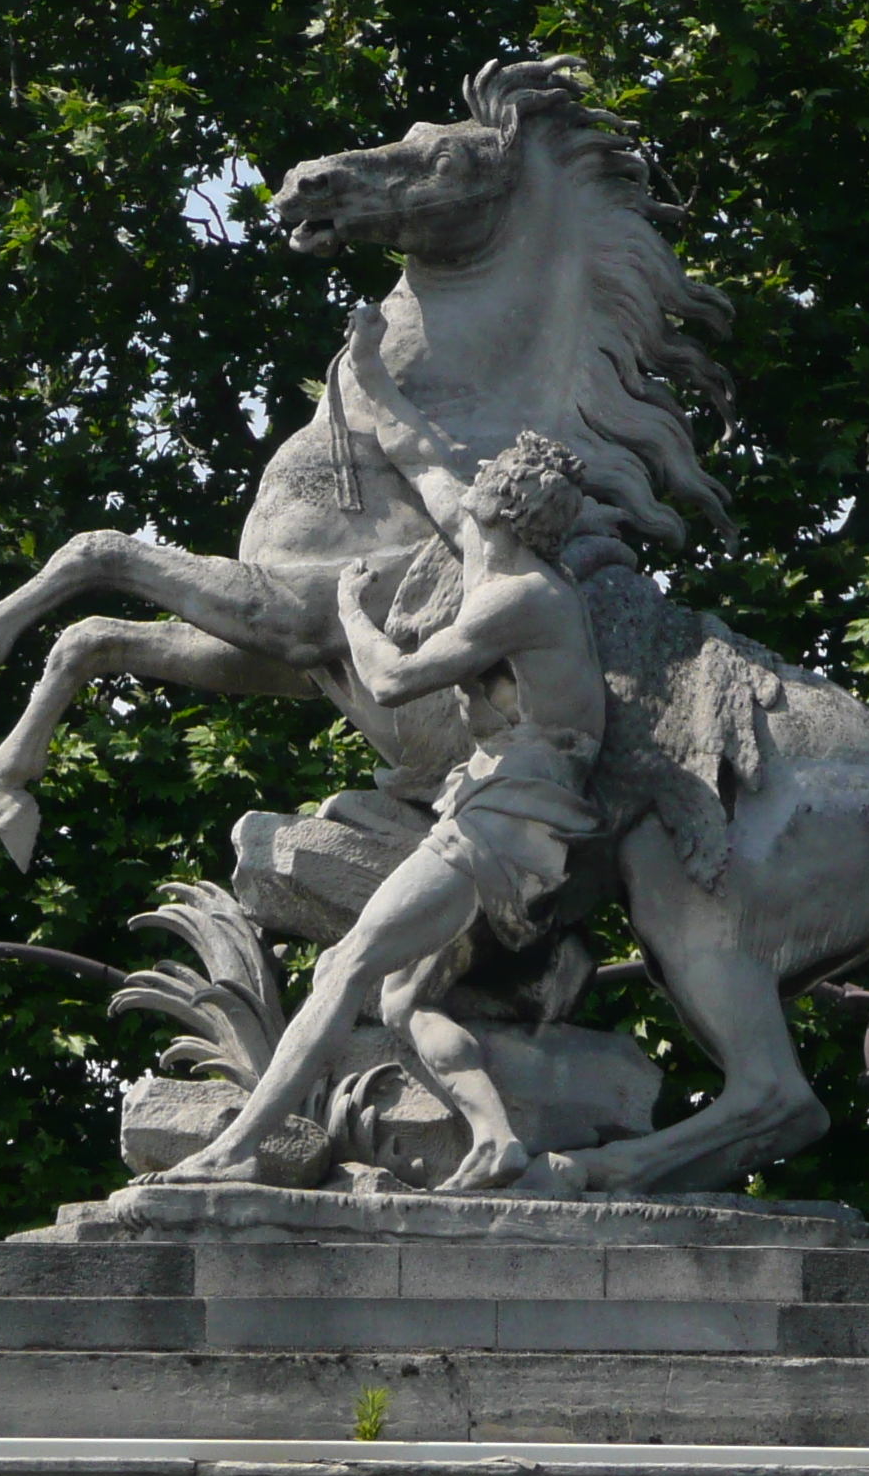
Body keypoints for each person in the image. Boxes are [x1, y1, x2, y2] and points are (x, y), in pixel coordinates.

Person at [160, 312, 603, 1191]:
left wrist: (351, 611)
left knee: (349, 964)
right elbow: (425, 458)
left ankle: (236, 1147)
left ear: (506, 503)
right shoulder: (488, 552)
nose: (470, 482)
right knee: (400, 1000)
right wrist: (366, 374)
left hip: (510, 826)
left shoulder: (522, 598)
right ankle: (496, 1137)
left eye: (491, 480)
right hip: (502, 816)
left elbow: (397, 682)